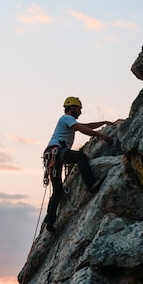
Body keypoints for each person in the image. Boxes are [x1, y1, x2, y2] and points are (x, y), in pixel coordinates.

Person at [43, 96, 113, 232]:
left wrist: (104, 122)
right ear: (72, 108)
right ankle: (91, 184)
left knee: (57, 191)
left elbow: (85, 126)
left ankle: (50, 221)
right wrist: (100, 135)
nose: (80, 112)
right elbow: (82, 129)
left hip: (52, 155)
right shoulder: (66, 118)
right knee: (81, 157)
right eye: (79, 109)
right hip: (57, 152)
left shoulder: (69, 121)